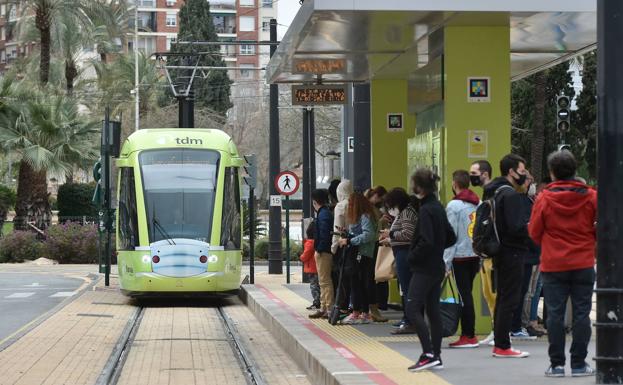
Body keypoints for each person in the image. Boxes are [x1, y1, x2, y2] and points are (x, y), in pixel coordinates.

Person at [529, 150, 597, 377]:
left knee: (555, 316)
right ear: (575, 169)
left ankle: (556, 365)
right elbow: (601, 227)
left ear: (552, 173)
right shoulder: (591, 196)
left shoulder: (544, 198)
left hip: (553, 264)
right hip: (583, 262)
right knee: (581, 314)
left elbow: (534, 232)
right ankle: (578, 364)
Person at [406, 169, 456, 372]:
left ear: (418, 187)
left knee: (412, 308)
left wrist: (412, 256)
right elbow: (450, 237)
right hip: (437, 266)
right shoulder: (438, 207)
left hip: (424, 268)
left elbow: (426, 241)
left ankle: (427, 354)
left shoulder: (426, 210)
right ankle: (436, 355)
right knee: (432, 310)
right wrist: (437, 250)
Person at [487, 154, 531, 358]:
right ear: (511, 172)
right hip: (513, 252)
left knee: (503, 297)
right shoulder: (511, 195)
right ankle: (503, 345)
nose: (524, 175)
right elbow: (516, 227)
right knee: (509, 299)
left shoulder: (494, 192)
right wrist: (530, 228)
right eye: (522, 172)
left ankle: (500, 342)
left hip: (500, 252)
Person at [444, 170, 481, 348]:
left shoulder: (453, 206)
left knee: (464, 296)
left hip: (459, 257)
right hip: (475, 255)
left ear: (454, 184)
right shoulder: (478, 203)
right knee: (467, 293)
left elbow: (450, 237)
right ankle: (468, 333)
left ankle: (469, 334)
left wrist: (445, 263)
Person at [379, 187, 418, 334]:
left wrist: (391, 233)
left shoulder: (407, 213)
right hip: (401, 252)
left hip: (405, 253)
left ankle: (410, 321)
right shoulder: (405, 212)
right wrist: (390, 238)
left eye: (391, 204)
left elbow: (409, 234)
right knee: (405, 288)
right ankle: (408, 319)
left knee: (408, 288)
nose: (390, 208)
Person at [510, 171, 541, 340]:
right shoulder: (520, 200)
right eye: (529, 179)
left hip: (528, 253)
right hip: (525, 253)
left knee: (524, 291)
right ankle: (516, 326)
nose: (531, 182)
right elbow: (527, 227)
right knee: (521, 291)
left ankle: (516, 325)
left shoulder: (527, 200)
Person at [338, 192, 378, 325]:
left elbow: (369, 235)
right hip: (360, 253)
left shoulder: (364, 217)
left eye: (351, 204)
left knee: (357, 283)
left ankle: (357, 313)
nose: (349, 206)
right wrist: (347, 233)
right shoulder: (364, 216)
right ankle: (363, 313)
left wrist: (350, 241)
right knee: (360, 284)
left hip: (361, 254)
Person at [470, 160, 497, 346]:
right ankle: (496, 329)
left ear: (485, 174)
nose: (472, 176)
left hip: (493, 255)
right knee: (488, 294)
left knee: (495, 294)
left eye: (474, 172)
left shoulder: (496, 195)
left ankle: (501, 331)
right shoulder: (485, 197)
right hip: (484, 255)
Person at [309, 189, 334, 319]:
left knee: (325, 281)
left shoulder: (323, 214)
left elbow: (324, 234)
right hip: (324, 250)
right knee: (322, 281)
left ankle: (328, 308)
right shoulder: (325, 213)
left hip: (324, 252)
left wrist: (319, 249)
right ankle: (324, 307)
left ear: (314, 201)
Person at [331, 180, 353, 315]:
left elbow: (337, 229)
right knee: (354, 277)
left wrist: (334, 246)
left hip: (343, 244)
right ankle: (354, 306)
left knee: (341, 277)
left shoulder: (341, 206)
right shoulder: (356, 204)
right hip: (355, 243)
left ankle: (342, 306)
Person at [301, 221, 320, 310]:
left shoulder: (309, 242)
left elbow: (306, 255)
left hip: (311, 268)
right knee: (319, 285)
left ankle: (316, 302)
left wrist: (301, 257)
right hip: (317, 267)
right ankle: (319, 301)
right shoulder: (317, 241)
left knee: (313, 285)